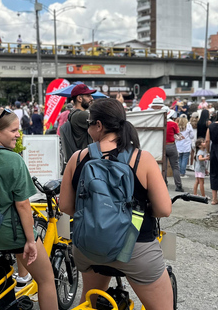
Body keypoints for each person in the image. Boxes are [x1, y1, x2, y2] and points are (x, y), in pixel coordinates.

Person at [59, 98, 173, 310]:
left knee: (89, 303)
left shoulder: (77, 158)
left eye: (89, 124)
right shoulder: (142, 158)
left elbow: (65, 206)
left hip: (88, 246)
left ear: (99, 126)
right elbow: (164, 209)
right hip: (133, 247)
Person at [0, 109, 58, 310]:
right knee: (46, 278)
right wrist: (31, 241)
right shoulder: (12, 159)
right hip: (11, 235)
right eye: (14, 130)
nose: (18, 134)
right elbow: (23, 205)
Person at [69, 84, 95, 150]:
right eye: (88, 96)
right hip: (87, 156)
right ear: (79, 98)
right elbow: (106, 122)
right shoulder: (81, 115)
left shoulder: (74, 114)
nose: (92, 98)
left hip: (83, 155)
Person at [164, 108, 184, 192]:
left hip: (162, 146)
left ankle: (164, 184)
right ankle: (178, 186)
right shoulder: (174, 124)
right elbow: (178, 135)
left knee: (163, 167)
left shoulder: (160, 123)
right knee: (175, 167)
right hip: (171, 145)